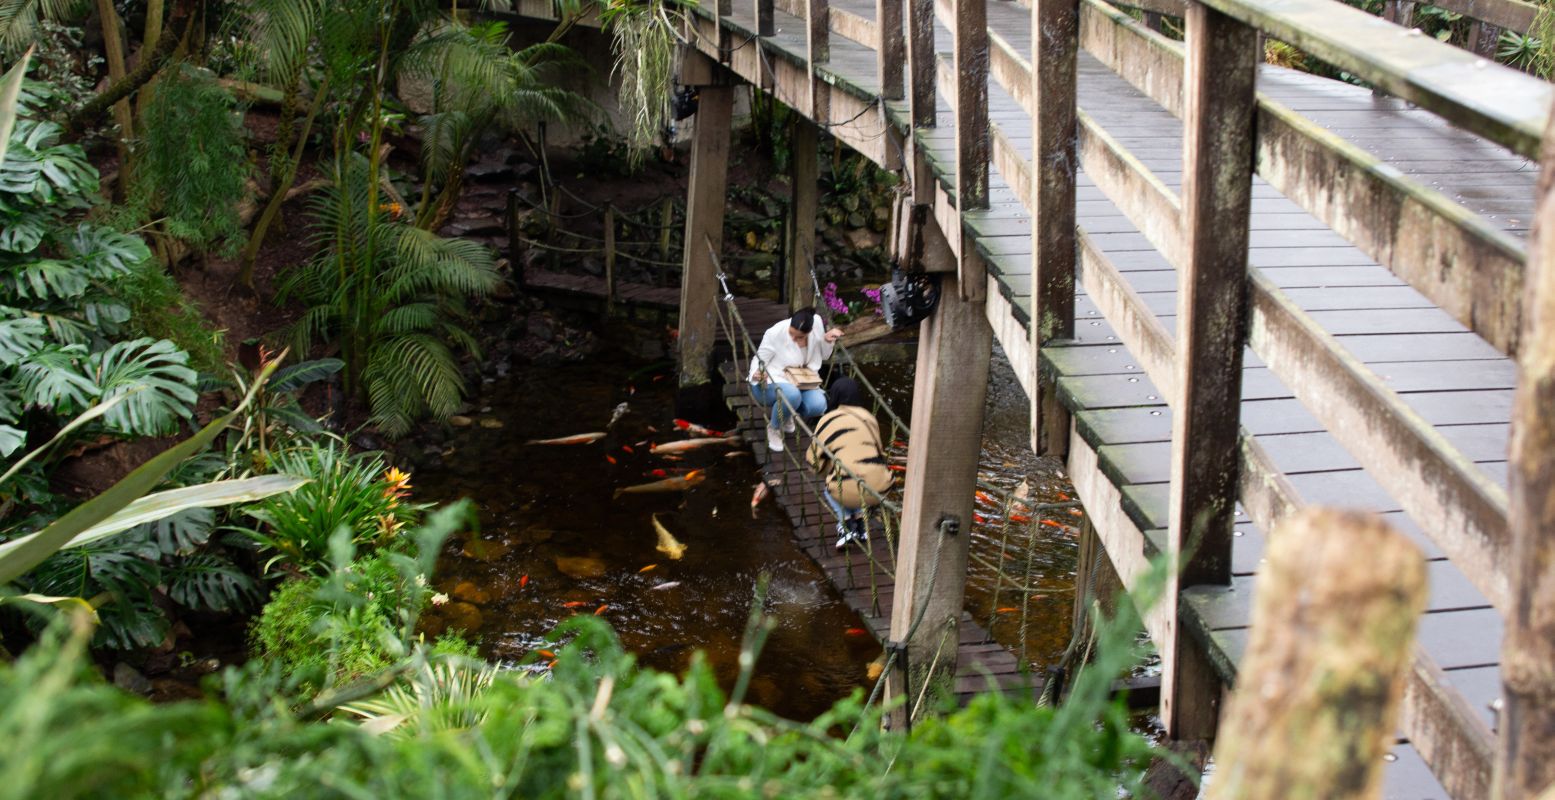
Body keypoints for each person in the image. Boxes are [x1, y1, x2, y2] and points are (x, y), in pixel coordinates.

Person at [807, 377, 893, 550]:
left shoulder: (828, 419)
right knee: (852, 474)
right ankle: (860, 525)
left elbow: (813, 462)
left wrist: (826, 469)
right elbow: (880, 452)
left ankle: (846, 526)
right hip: (878, 490)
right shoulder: (869, 418)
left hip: (846, 489)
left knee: (831, 485)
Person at [749, 307, 844, 452]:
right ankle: (774, 427)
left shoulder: (816, 323)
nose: (793, 339)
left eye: (799, 337)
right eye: (791, 334)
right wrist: (758, 372)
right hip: (771, 383)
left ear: (809, 331)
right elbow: (759, 359)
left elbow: (824, 356)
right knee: (791, 395)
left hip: (802, 381)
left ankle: (786, 412)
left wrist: (826, 340)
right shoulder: (775, 332)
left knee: (818, 404)